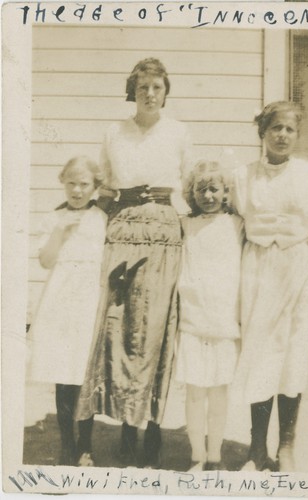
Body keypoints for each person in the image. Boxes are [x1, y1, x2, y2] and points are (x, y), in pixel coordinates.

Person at [75, 58, 192, 468]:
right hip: (123, 233)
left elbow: (190, 187)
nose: (149, 94)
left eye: (157, 87)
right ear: (132, 90)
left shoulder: (178, 132)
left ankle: (152, 428)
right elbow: (103, 184)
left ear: (166, 91)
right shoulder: (114, 132)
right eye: (142, 87)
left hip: (163, 237)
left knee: (154, 332)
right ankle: (126, 427)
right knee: (118, 330)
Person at [232, 101, 308, 472]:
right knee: (260, 357)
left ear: (297, 135)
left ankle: (286, 446)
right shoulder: (243, 175)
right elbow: (234, 223)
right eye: (275, 128)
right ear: (263, 133)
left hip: (298, 267)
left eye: (289, 129)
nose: (282, 135)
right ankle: (256, 447)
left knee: (293, 357)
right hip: (258, 269)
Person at [27, 156, 107, 466]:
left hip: (90, 300)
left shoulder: (101, 217)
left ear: (95, 186)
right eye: (71, 182)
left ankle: (86, 444)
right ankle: (67, 444)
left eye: (84, 184)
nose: (76, 190)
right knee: (63, 373)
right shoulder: (53, 217)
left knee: (85, 373)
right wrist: (60, 232)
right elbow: (46, 261)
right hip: (61, 301)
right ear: (62, 181)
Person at [175, 160, 243, 471]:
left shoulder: (236, 225)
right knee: (194, 392)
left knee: (218, 393)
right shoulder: (186, 225)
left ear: (226, 192)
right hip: (192, 322)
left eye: (214, 188)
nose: (208, 195)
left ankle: (214, 455)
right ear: (192, 193)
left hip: (224, 323)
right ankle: (197, 455)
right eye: (200, 189)